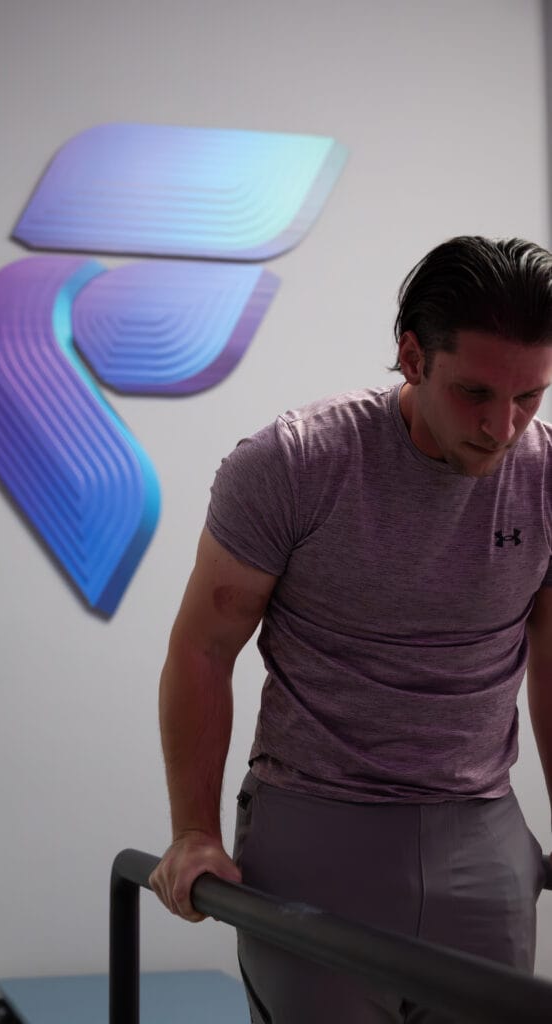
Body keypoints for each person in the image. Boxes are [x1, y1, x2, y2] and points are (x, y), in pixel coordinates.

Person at [149, 235, 552, 1023]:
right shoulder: (295, 464)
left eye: (529, 397)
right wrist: (193, 832)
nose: (502, 426)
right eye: (475, 392)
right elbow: (203, 647)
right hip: (315, 828)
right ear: (412, 357)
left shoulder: (545, 479)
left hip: (483, 833)